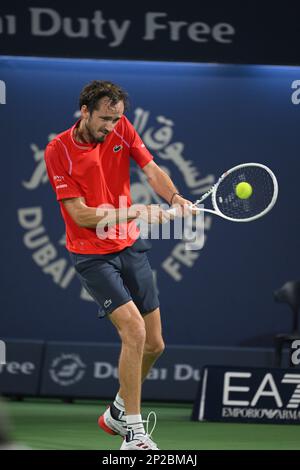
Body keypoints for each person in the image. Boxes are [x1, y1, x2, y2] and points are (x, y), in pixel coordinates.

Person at [44, 80, 192, 450]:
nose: (111, 127)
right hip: (92, 254)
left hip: (128, 245)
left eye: (116, 119)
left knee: (155, 344)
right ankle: (133, 433)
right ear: (85, 112)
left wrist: (174, 197)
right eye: (105, 119)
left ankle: (117, 410)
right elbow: (79, 215)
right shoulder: (58, 149)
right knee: (134, 331)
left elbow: (151, 168)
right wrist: (136, 212)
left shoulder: (122, 127)